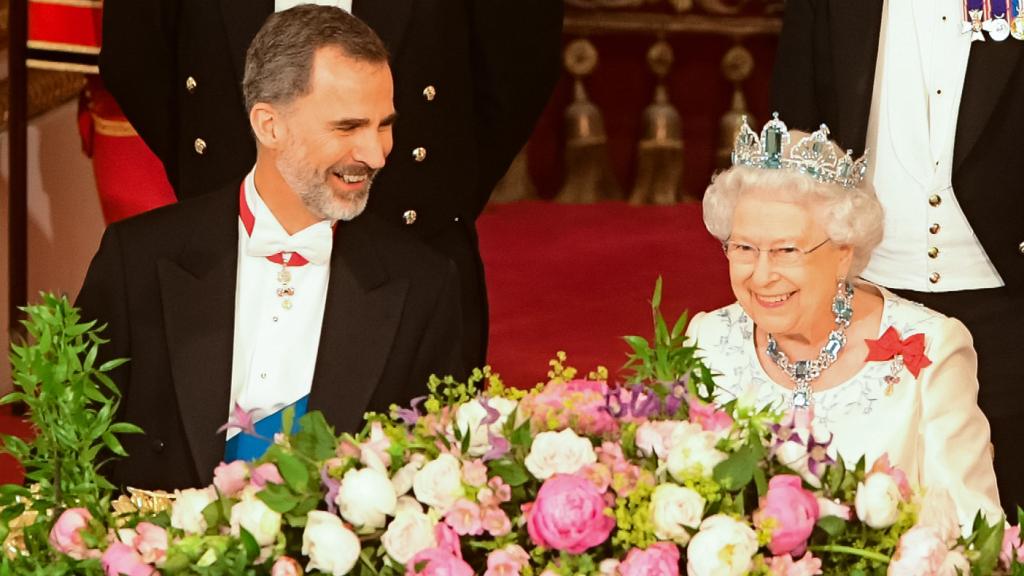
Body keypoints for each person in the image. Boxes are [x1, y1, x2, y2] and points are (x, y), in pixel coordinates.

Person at [75, 6, 463, 491]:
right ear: (269, 125)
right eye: (348, 127)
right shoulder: (138, 260)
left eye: (383, 125)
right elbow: (70, 456)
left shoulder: (425, 285)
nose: (376, 153)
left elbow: (436, 487)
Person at [98, 0, 564, 375]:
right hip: (221, 245)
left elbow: (518, 59)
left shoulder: (427, 273)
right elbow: (136, 56)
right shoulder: (128, 257)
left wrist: (432, 191)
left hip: (410, 237)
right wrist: (223, 185)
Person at [770, 0, 1023, 517]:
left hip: (1008, 296)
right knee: (867, 509)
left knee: (1006, 506)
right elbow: (796, 126)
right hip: (868, 297)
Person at [685, 116, 1001, 528]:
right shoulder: (706, 339)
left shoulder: (932, 347)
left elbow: (973, 533)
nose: (761, 275)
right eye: (744, 247)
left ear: (843, 252)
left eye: (786, 250)